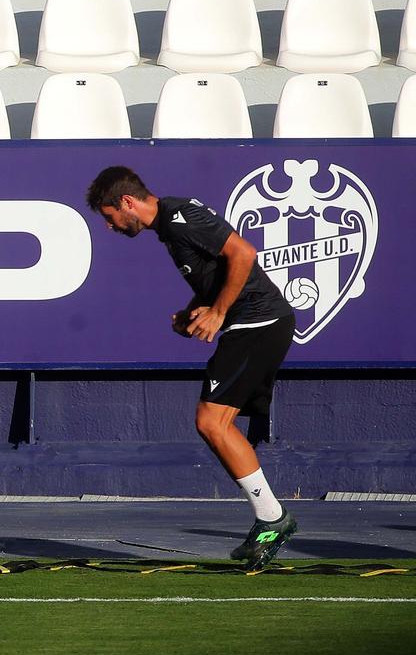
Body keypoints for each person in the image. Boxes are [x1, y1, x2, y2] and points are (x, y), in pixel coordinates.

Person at [86, 166, 298, 572]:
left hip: (259, 322)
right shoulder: (170, 227)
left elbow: (243, 253)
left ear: (127, 203)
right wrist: (194, 313)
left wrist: (217, 312)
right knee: (216, 422)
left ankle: (272, 519)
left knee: (211, 421)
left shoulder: (180, 218)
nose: (112, 227)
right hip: (252, 323)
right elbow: (219, 273)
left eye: (110, 217)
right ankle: (270, 517)